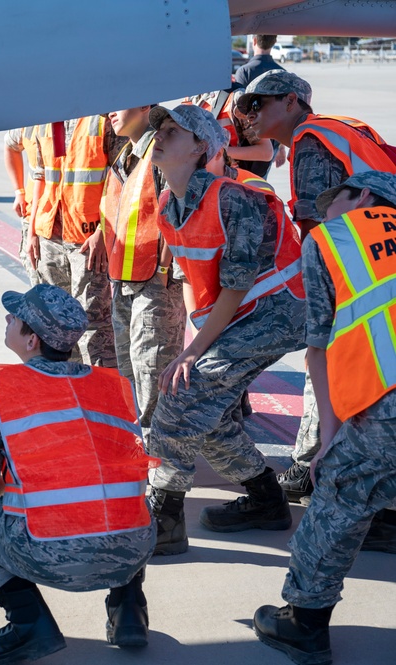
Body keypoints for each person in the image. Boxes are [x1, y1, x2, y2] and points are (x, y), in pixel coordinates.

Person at [0, 284, 157, 664]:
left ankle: (27, 622)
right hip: (133, 549)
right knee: (119, 495)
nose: (7, 318)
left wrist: (24, 482)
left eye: (15, 317)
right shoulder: (114, 386)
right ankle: (128, 608)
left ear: (31, 339)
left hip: (49, 555)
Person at [146, 104, 306, 555]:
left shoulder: (234, 198)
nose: (160, 135)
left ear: (201, 148)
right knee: (207, 415)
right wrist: (194, 345)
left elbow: (236, 287)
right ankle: (265, 499)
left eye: (174, 131)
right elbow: (202, 286)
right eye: (160, 128)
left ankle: (165, 517)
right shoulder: (167, 205)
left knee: (182, 395)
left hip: (278, 312)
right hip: (241, 317)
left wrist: (193, 352)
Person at [253, 172, 396, 665]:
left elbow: (318, 350)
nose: (326, 212)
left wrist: (327, 442)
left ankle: (304, 623)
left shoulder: (333, 239)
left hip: (388, 407)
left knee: (338, 497)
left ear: (365, 197)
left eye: (336, 200)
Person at [238, 69, 396, 517]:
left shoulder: (311, 140)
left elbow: (319, 230)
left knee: (327, 354)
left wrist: (322, 288)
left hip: (361, 267)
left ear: (290, 102)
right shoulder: (338, 129)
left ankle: (314, 464)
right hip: (382, 253)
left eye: (258, 104)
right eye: (246, 106)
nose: (249, 114)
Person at [95, 104, 185, 447]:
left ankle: (158, 455)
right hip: (125, 277)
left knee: (152, 370)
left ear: (145, 106)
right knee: (130, 368)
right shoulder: (127, 154)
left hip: (154, 281)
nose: (109, 112)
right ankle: (142, 443)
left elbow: (175, 213)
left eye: (118, 103)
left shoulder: (158, 152)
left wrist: (164, 268)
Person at [27, 116, 127, 367]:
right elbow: (39, 176)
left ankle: (101, 394)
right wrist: (32, 231)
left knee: (93, 324)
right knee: (53, 325)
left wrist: (104, 231)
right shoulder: (44, 119)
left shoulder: (102, 119)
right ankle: (65, 391)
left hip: (88, 240)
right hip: (49, 233)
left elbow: (123, 176)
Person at [4, 125, 44, 285]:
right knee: (40, 287)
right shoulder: (31, 123)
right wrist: (19, 191)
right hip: (36, 215)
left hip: (77, 222)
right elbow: (10, 145)